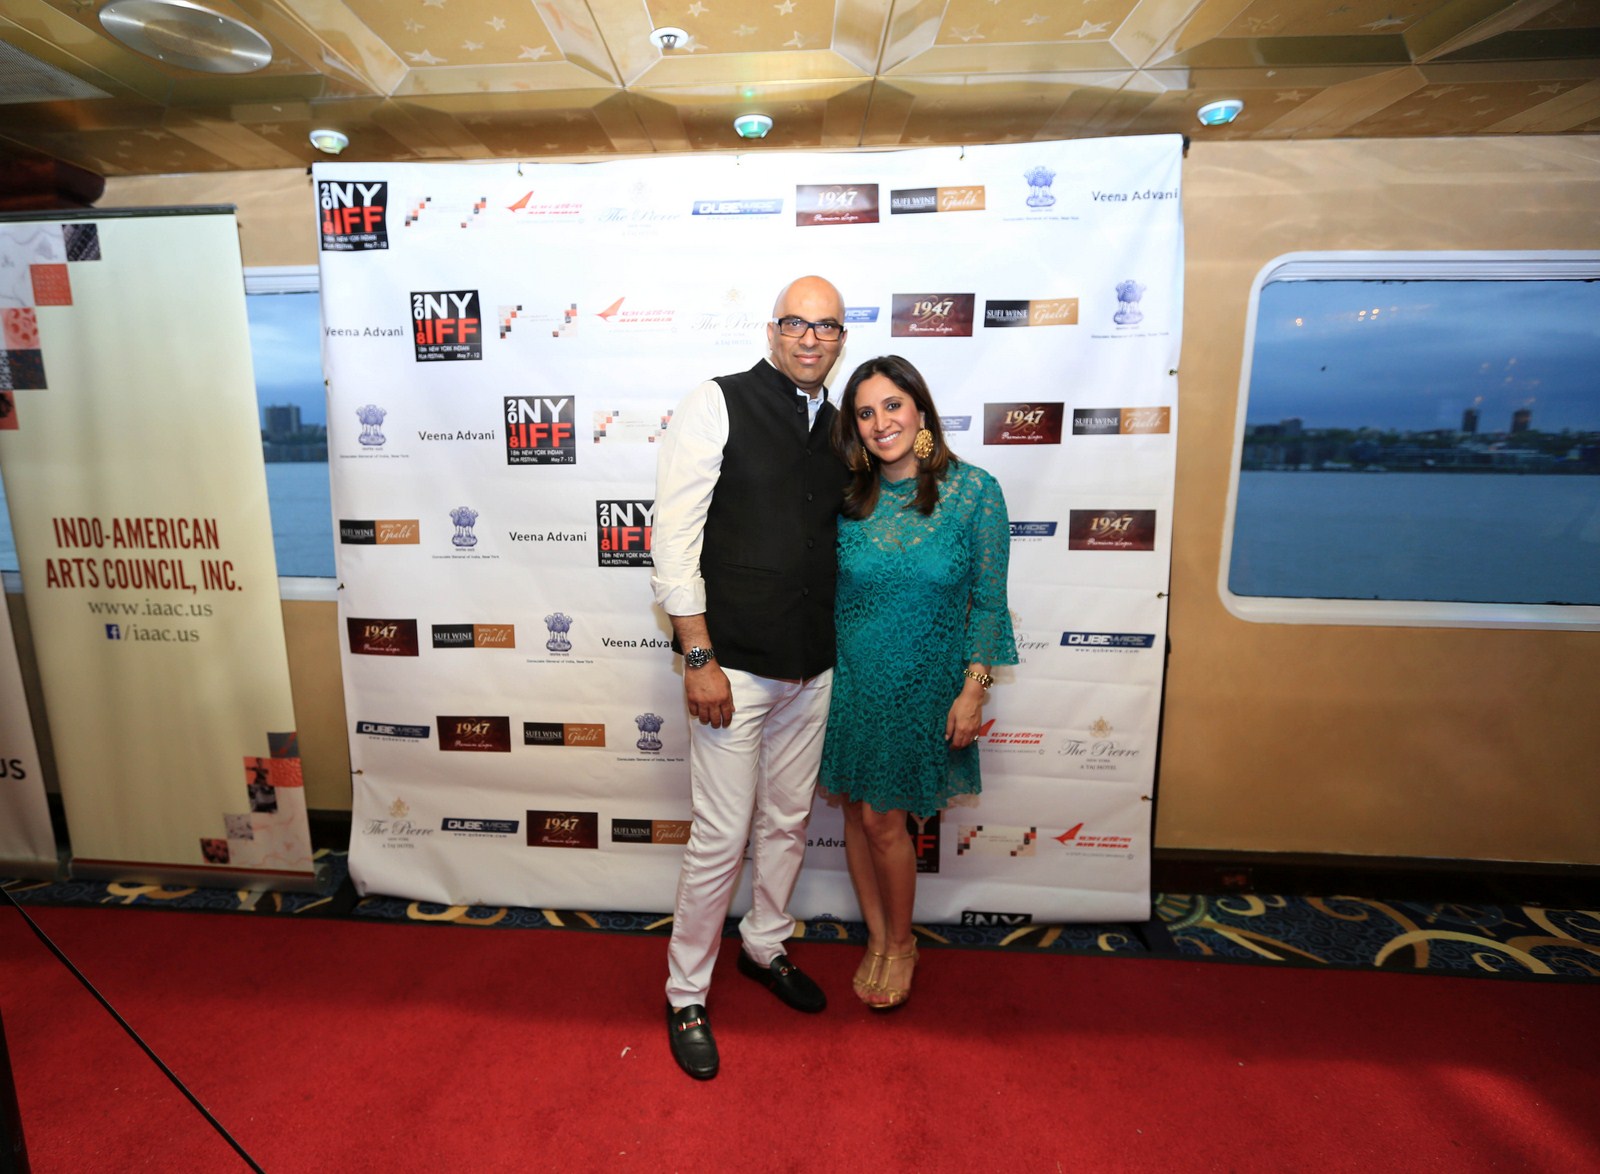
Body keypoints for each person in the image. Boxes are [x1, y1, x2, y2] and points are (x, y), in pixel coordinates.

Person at [650, 276, 852, 1079]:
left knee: (788, 823)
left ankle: (765, 946)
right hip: (731, 666)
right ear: (772, 331)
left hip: (814, 666)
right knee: (720, 836)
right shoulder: (718, 401)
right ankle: (685, 994)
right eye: (796, 323)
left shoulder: (841, 426)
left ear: (841, 340)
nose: (810, 338)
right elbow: (674, 536)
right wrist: (698, 656)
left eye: (826, 326)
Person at [819, 354, 1017, 1010]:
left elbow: (989, 604)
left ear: (921, 410)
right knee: (857, 812)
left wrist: (974, 689)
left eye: (892, 406)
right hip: (852, 684)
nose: (881, 423)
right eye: (865, 413)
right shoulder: (849, 497)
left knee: (884, 820)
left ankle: (902, 944)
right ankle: (877, 938)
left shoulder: (974, 492)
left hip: (925, 689)